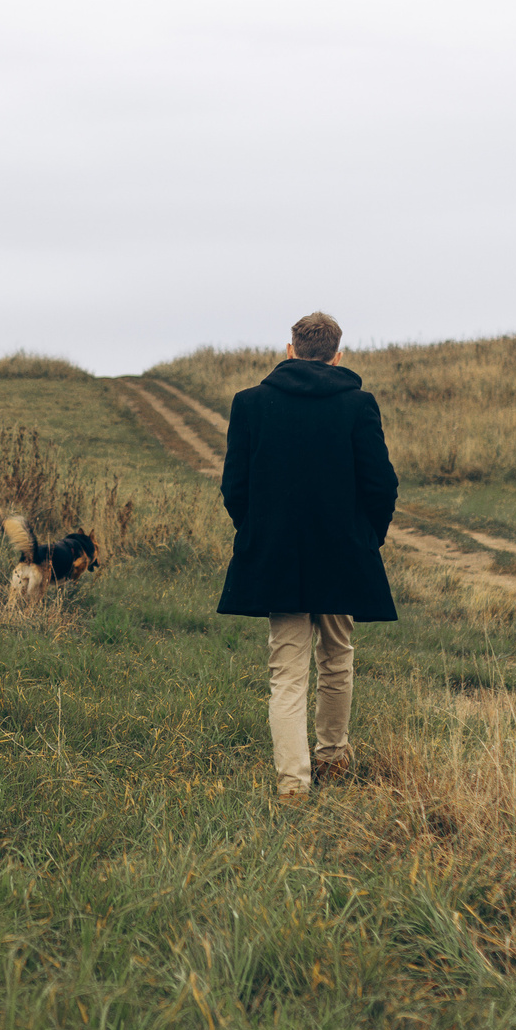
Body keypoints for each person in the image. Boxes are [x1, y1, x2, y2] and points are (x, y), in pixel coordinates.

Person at [216, 310, 400, 801]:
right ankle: (333, 761)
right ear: (338, 355)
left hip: (278, 556)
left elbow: (235, 487)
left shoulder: (249, 404)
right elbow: (381, 485)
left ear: (290, 348)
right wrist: (367, 538)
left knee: (287, 672)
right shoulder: (359, 405)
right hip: (342, 555)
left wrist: (259, 531)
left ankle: (293, 786)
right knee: (337, 658)